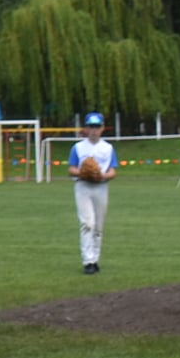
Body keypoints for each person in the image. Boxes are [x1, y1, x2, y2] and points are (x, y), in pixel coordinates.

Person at [69, 112, 117, 274]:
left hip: (101, 186)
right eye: (91, 127)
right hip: (83, 186)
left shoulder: (108, 148)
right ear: (86, 128)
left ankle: (95, 259)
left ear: (102, 128)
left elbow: (113, 171)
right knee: (87, 223)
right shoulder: (78, 147)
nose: (94, 130)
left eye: (97, 127)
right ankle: (87, 261)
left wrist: (102, 175)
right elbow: (71, 169)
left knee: (98, 226)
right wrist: (82, 173)